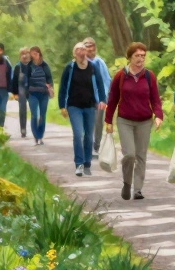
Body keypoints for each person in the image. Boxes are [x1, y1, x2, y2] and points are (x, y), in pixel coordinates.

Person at [105, 42, 164, 200]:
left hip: (144, 121)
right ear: (130, 57)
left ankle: (137, 189)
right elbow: (112, 99)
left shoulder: (149, 76)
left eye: (143, 56)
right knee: (129, 155)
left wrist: (158, 116)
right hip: (125, 120)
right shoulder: (121, 76)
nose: (140, 59)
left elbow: (155, 100)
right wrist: (108, 121)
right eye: (137, 56)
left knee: (141, 155)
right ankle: (127, 182)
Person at [58, 42, 108, 176]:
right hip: (74, 106)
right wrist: (62, 106)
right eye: (78, 50)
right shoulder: (70, 68)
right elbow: (62, 87)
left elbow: (100, 83)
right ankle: (79, 163)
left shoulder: (92, 67)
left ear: (86, 52)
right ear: (74, 53)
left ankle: (87, 163)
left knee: (89, 136)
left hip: (90, 105)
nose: (81, 52)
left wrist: (103, 100)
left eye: (83, 50)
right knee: (78, 134)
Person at [83, 38, 112, 158]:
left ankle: (96, 145)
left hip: (99, 98)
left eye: (92, 46)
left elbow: (107, 80)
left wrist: (106, 98)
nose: (90, 49)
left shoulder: (100, 62)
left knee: (98, 123)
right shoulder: (80, 63)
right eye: (87, 46)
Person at [24, 46, 53, 145]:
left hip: (44, 93)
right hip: (32, 94)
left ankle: (40, 136)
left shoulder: (44, 65)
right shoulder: (29, 66)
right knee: (34, 115)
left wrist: (50, 88)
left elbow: (49, 79)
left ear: (39, 53)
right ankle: (36, 136)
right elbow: (26, 80)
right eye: (32, 53)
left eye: (36, 53)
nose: (34, 55)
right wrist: (26, 92)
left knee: (42, 115)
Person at [11, 47, 32, 138]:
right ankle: (23, 129)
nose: (24, 56)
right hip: (21, 89)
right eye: (22, 54)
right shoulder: (17, 66)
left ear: (29, 55)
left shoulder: (33, 65)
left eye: (26, 53)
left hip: (32, 89)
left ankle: (37, 129)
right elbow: (14, 81)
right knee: (22, 109)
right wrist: (15, 93)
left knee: (35, 110)